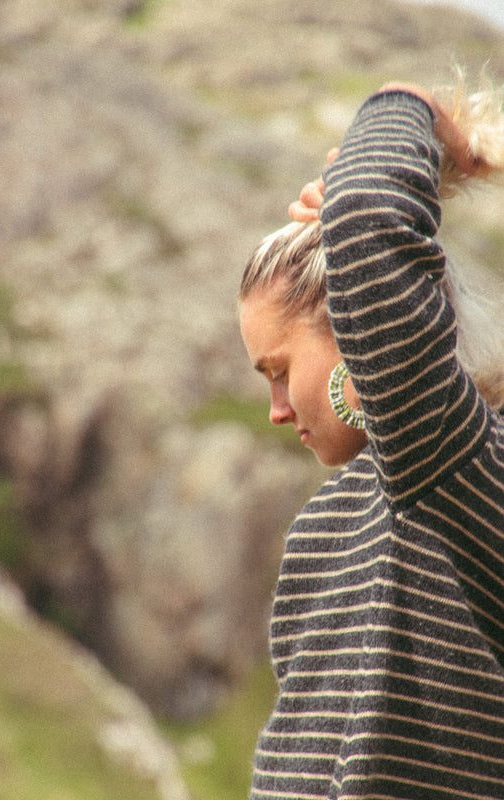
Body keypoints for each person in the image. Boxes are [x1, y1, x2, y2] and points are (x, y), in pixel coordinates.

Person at [239, 79, 504, 799]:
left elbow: (364, 216)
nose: (274, 410)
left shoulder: (455, 466)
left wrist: (417, 114)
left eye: (279, 370)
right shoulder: (322, 530)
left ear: (357, 332)